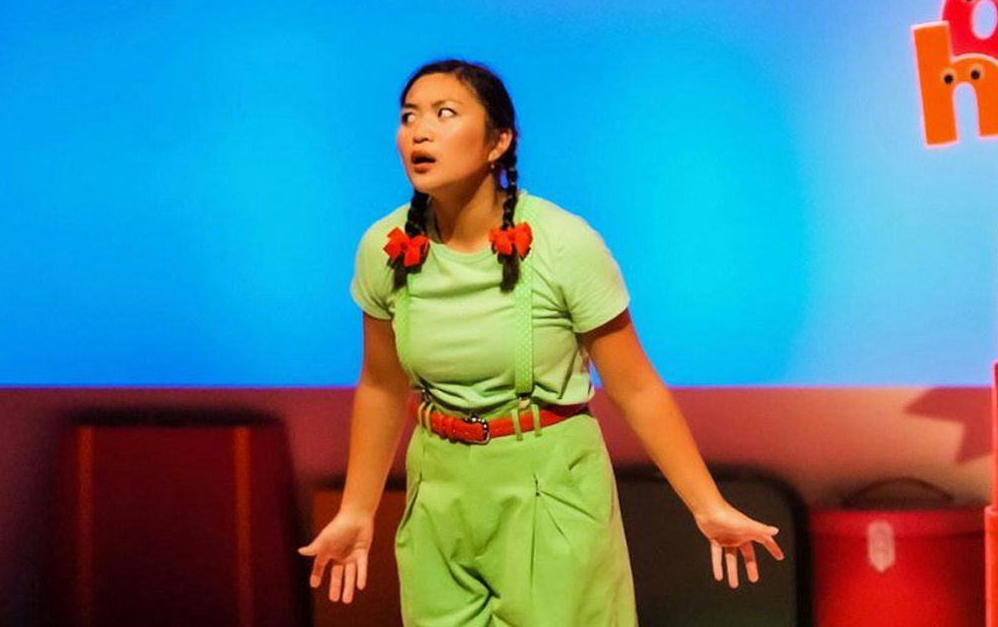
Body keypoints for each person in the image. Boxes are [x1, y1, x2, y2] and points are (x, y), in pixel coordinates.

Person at [299, 58, 784, 624]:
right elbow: (382, 386)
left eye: (444, 114)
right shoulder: (384, 246)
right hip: (439, 486)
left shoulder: (563, 244)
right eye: (409, 117)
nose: (420, 132)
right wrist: (358, 510)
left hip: (547, 482)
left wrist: (708, 506)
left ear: (498, 142)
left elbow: (635, 388)